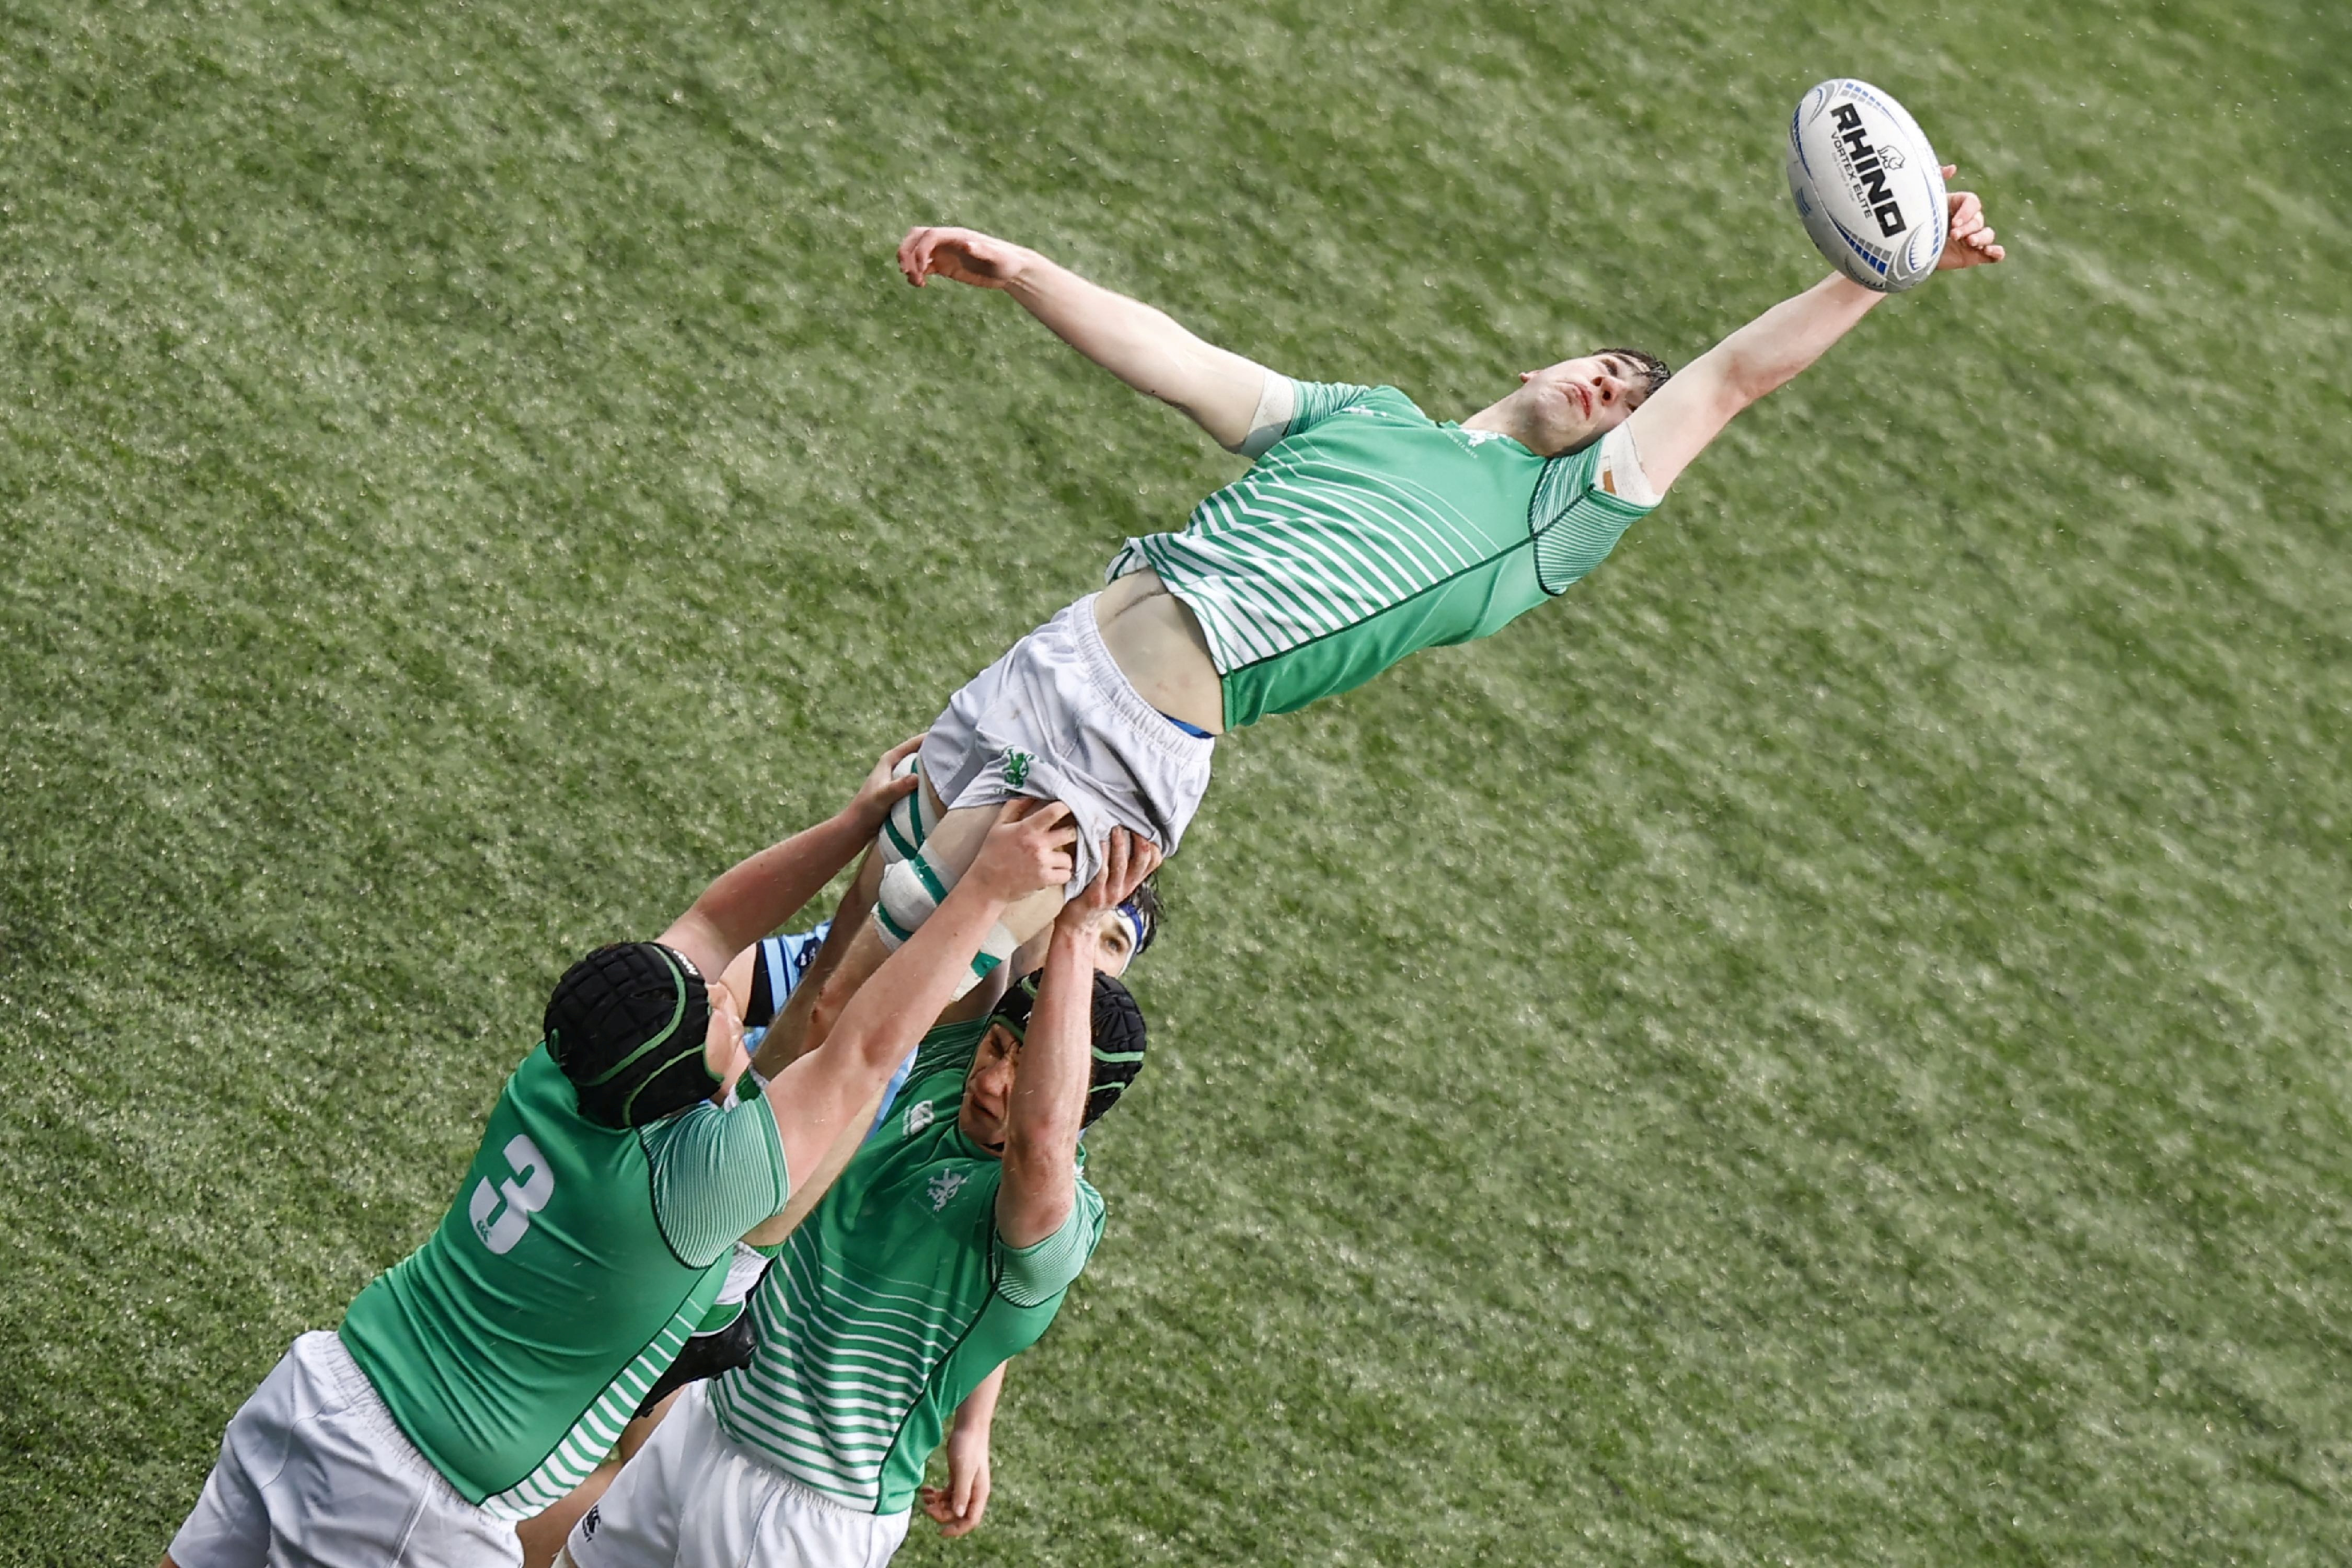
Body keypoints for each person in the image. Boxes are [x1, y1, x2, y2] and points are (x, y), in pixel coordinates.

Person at [765, 180, 2005, 1089]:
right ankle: (678, 1185)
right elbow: (1186, 365)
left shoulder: (1546, 524)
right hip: (1054, 658)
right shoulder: (1367, 417)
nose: (1613, 391)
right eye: (1613, 367)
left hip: (1117, 749)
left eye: (1631, 402)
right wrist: (1026, 269)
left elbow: (1731, 377)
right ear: (1555, 354)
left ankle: (696, 1291)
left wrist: (1878, 271)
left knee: (869, 1018)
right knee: (827, 980)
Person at [161, 742, 1080, 1568]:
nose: (731, 1002)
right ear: (678, 1092)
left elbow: (712, 924)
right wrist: (986, 895)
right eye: (721, 1020)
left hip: (326, 1383)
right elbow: (859, 1048)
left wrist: (852, 828)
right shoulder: (687, 1190)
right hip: (420, 1503)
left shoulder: (559, 1073)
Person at [556, 834, 1159, 1567]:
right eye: (1000, 1048)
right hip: (710, 1421)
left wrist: (1075, 933)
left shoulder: (1056, 1226)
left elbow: (1039, 1137)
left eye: (1025, 1068)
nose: (996, 1079)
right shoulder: (949, 1063)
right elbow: (959, 924)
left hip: (804, 1518)